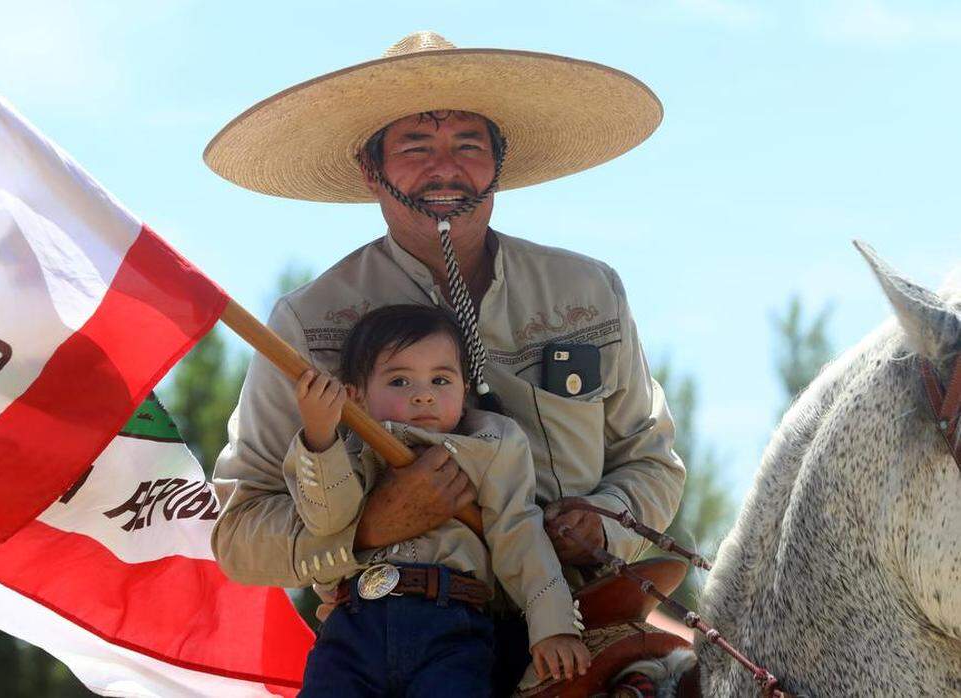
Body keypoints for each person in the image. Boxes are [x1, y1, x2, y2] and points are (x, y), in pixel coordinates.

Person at [205, 31, 685, 693]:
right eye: (415, 145)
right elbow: (238, 534)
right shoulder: (307, 324)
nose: (445, 166)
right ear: (371, 169)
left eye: (468, 143)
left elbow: (653, 459)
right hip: (393, 631)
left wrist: (601, 526)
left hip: (577, 626)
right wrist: (371, 525)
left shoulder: (587, 291)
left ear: (499, 163)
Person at [288, 305, 588, 695]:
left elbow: (519, 533)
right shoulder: (345, 452)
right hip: (352, 627)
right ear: (355, 397)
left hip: (450, 625)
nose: (424, 396)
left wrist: (554, 626)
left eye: (441, 380)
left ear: (465, 390)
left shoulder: (490, 445)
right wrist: (319, 437)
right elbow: (329, 522)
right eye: (399, 382)